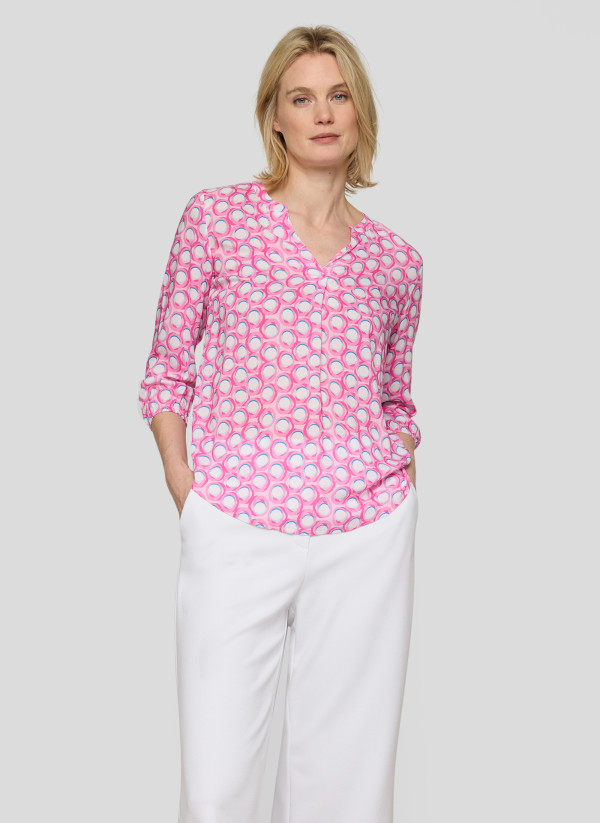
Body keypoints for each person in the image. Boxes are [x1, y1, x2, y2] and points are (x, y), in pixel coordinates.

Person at [138, 24, 423, 823]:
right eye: (302, 98)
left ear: (361, 113)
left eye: (338, 96)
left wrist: (400, 475)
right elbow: (167, 369)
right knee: (217, 786)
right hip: (236, 516)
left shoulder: (397, 262)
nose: (322, 114)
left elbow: (397, 399)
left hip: (365, 532)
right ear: (275, 117)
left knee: (347, 789)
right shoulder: (217, 219)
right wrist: (188, 489)